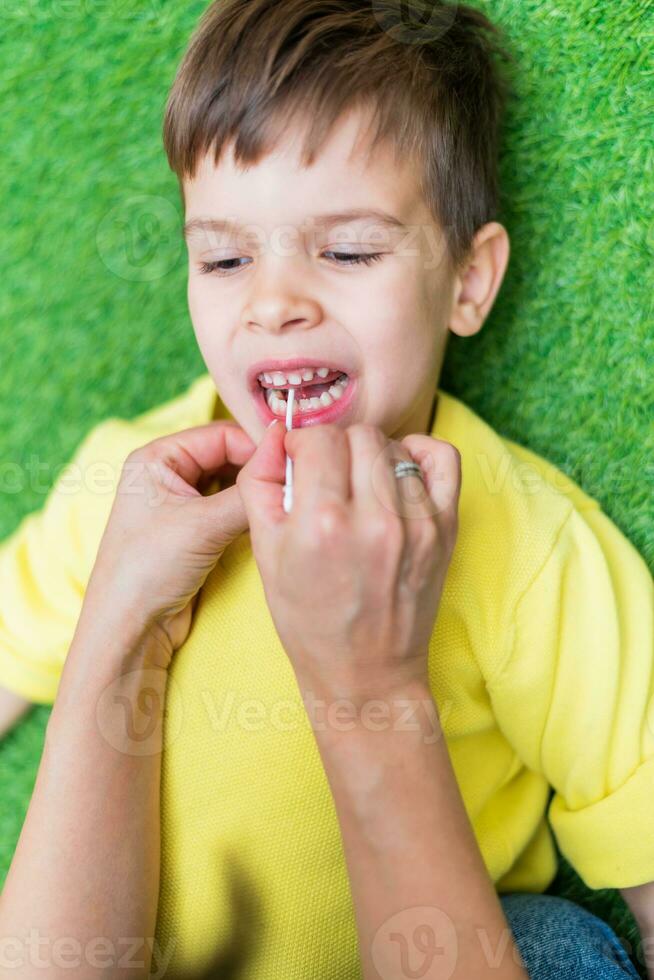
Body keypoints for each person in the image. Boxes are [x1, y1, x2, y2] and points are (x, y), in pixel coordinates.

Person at [0, 0, 652, 977]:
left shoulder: (531, 542)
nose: (273, 302)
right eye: (223, 257)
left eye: (348, 251)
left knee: (555, 942)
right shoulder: (132, 483)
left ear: (469, 283)